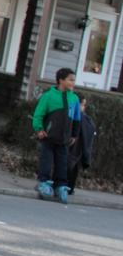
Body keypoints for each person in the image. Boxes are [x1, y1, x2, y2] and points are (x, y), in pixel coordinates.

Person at [32, 68, 82, 204]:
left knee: (62, 163)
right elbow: (38, 114)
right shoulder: (49, 96)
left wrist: (74, 135)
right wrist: (39, 129)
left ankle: (60, 185)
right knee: (46, 161)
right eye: (70, 79)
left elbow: (77, 118)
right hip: (48, 137)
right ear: (61, 80)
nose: (73, 82)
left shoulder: (74, 98)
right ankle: (44, 182)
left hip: (64, 139)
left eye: (74, 80)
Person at [66, 93, 96, 195]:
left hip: (73, 147)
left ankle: (65, 186)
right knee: (73, 168)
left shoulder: (71, 114)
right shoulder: (84, 118)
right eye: (83, 104)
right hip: (78, 149)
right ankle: (69, 187)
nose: (84, 107)